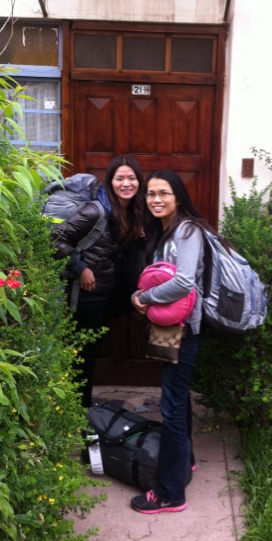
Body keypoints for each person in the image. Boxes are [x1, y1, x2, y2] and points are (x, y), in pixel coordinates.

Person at [130, 170, 214, 514]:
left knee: (172, 405)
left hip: (185, 330)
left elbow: (184, 282)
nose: (156, 200)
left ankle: (169, 493)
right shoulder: (166, 231)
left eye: (163, 193)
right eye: (150, 194)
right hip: (173, 327)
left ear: (178, 196)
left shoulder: (188, 230)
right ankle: (185, 463)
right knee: (176, 400)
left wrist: (144, 296)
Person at [54, 155, 144, 407]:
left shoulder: (131, 211)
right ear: (110, 181)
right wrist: (80, 268)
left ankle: (80, 410)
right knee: (84, 354)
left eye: (131, 178)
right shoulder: (95, 210)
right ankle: (77, 414)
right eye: (120, 178)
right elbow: (56, 239)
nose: (126, 183)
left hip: (107, 292)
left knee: (90, 353)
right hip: (87, 295)